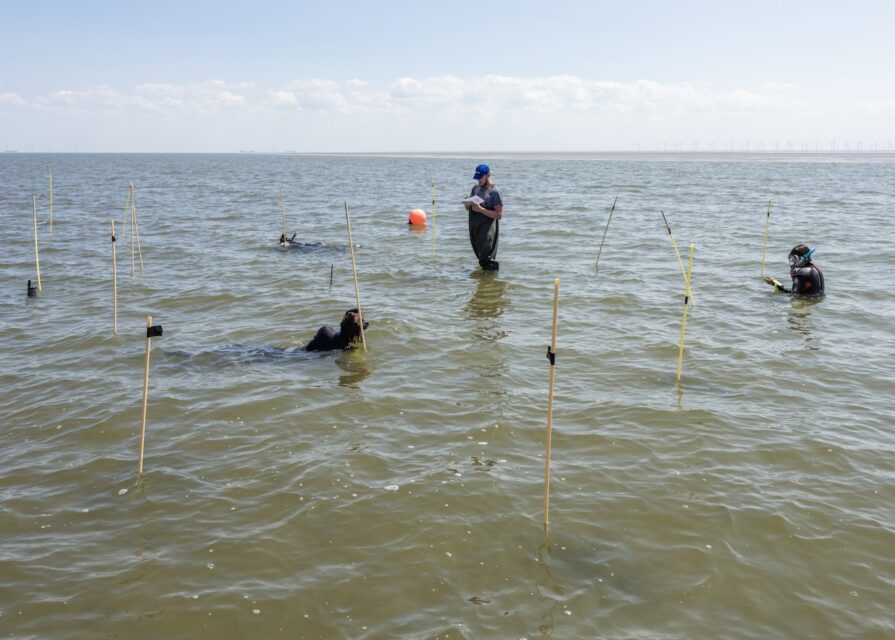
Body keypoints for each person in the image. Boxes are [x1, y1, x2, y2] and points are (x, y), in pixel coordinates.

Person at [464, 163, 503, 271]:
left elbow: (499, 215)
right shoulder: (475, 188)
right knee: (481, 260)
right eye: (477, 178)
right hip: (476, 230)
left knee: (487, 260)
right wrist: (468, 205)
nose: (478, 181)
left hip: (487, 231)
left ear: (487, 175)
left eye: (480, 178)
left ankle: (492, 282)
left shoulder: (495, 192)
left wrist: (481, 210)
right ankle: (485, 284)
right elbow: (470, 208)